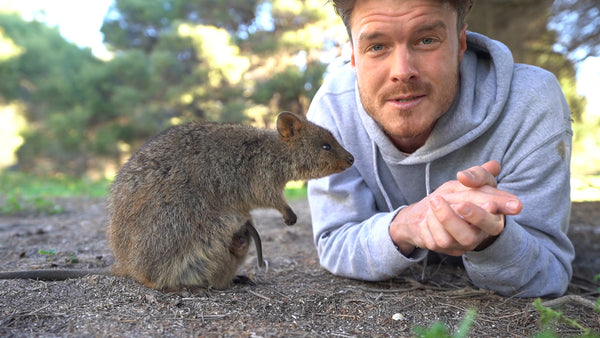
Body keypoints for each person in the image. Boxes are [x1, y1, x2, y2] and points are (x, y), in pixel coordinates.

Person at [306, 0, 574, 297]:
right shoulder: (333, 111)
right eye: (377, 47)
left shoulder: (530, 103)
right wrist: (407, 224)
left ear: (461, 42)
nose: (403, 71)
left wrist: (491, 239)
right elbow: (334, 240)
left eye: (426, 40)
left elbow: (549, 272)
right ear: (354, 56)